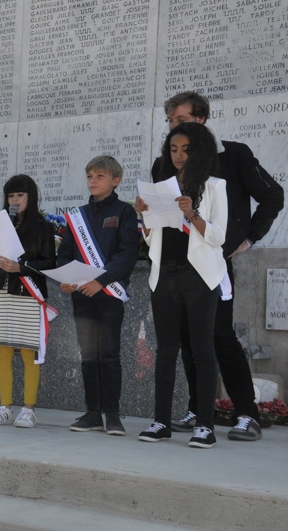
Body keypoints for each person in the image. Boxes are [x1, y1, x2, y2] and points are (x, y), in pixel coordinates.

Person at [152, 91, 285, 442]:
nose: (173, 128)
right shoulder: (164, 162)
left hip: (215, 263)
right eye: (170, 122)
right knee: (185, 338)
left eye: (180, 120)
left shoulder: (235, 155)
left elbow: (273, 194)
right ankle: (199, 409)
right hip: (175, 267)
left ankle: (247, 414)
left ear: (201, 120)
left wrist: (249, 237)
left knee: (219, 336)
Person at [137, 122, 228, 449]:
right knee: (166, 351)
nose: (178, 155)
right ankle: (161, 421)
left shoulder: (215, 186)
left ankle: (205, 425)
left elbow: (219, 237)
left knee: (202, 350)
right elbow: (152, 238)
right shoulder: (164, 186)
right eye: (173, 149)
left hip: (199, 277)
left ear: (199, 150)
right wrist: (144, 217)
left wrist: (193, 215)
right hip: (165, 274)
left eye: (185, 149)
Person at [57, 155, 139, 436]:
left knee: (109, 355)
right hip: (81, 295)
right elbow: (65, 253)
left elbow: (127, 254)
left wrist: (100, 281)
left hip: (109, 294)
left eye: (100, 176)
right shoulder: (77, 215)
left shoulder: (125, 212)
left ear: (115, 180)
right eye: (90, 175)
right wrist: (67, 278)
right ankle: (93, 413)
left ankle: (113, 414)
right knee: (88, 356)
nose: (93, 180)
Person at [0, 175, 56, 428]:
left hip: (29, 294)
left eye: (20, 195)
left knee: (27, 351)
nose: (15, 200)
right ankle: (4, 407)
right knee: (3, 350)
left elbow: (48, 264)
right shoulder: (1, 224)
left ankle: (29, 408)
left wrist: (20, 267)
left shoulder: (42, 227)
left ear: (30, 197)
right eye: (11, 196)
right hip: (2, 292)